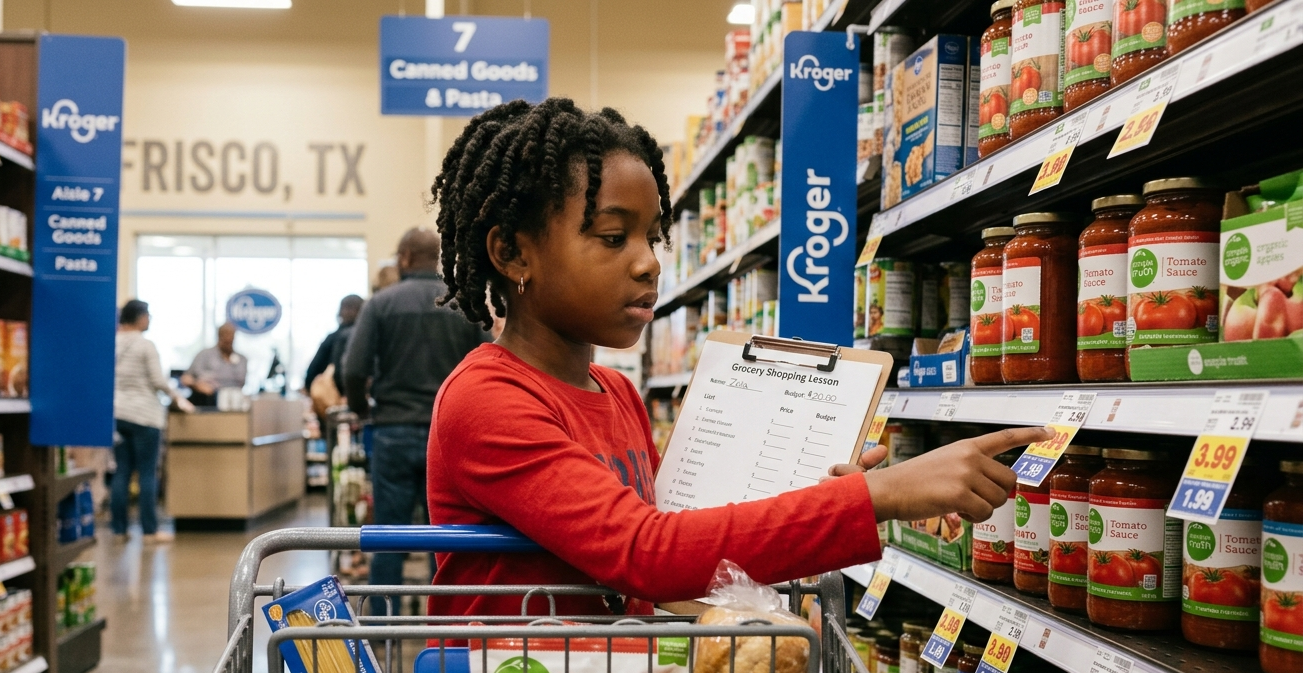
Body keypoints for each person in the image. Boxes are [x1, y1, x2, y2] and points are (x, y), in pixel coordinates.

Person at [424, 98, 1052, 617]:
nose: (648, 262)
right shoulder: (487, 399)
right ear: (512, 253)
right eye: (614, 237)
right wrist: (879, 498)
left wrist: (825, 490)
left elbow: (683, 551)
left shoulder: (615, 395)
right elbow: (647, 552)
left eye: (652, 236)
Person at [342, 227, 491, 614]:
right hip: (449, 437)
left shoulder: (381, 304)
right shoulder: (462, 304)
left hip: (392, 430)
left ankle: (382, 628)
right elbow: (491, 365)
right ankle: (444, 626)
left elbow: (354, 369)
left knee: (389, 534)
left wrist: (362, 410)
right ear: (436, 257)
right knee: (447, 539)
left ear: (405, 257)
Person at [112, 300, 193, 543]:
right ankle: (149, 531)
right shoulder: (145, 345)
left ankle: (119, 530)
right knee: (147, 473)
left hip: (117, 414)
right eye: (147, 315)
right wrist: (178, 398)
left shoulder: (111, 343)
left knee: (121, 472)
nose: (149, 320)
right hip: (145, 415)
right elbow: (158, 380)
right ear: (139, 317)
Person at [303, 294, 363, 395]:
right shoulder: (366, 337)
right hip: (358, 397)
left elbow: (313, 370)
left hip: (334, 398)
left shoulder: (332, 338)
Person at [181, 323, 247, 406]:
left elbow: (242, 383)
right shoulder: (204, 355)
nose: (228, 339)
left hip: (233, 400)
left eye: (231, 336)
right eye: (225, 335)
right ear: (219, 336)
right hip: (206, 399)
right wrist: (196, 385)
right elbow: (185, 378)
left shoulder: (241, 359)